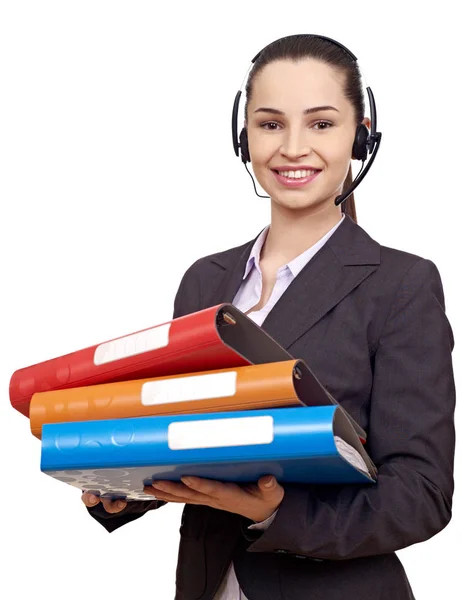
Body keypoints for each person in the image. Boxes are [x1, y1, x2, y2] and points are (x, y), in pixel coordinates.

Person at [82, 34, 456, 600]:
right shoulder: (205, 280)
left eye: (322, 124)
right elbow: (183, 436)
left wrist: (279, 512)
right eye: (271, 123)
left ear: (361, 134)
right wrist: (124, 483)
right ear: (245, 135)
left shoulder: (400, 285)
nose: (293, 147)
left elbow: (421, 494)